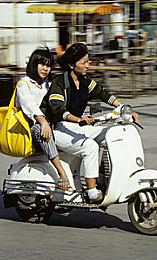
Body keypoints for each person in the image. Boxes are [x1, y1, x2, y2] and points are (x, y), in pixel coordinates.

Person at [46, 43, 139, 202]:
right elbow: (57, 109)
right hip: (59, 129)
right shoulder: (60, 82)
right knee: (90, 146)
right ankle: (91, 190)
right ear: (71, 64)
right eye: (84, 62)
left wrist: (125, 109)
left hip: (78, 127)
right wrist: (78, 119)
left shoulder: (84, 81)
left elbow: (103, 94)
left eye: (88, 61)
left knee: (109, 134)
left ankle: (103, 177)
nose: (88, 65)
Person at [15, 47, 71, 190]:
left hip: (50, 125)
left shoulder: (49, 85)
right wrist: (44, 122)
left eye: (49, 66)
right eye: (42, 64)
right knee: (41, 129)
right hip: (30, 130)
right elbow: (30, 107)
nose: (46, 69)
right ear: (34, 64)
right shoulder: (24, 84)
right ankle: (61, 172)